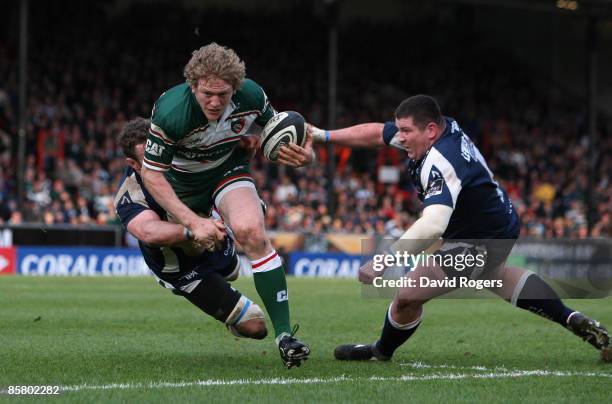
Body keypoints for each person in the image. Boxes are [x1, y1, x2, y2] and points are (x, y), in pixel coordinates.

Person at [303, 94, 610, 362]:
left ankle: (380, 352)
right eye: (400, 130)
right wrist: (323, 135)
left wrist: (384, 260)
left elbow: (433, 223)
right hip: (499, 220)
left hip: (477, 237)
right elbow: (375, 134)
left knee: (408, 295)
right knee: (496, 276)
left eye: (407, 131)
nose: (401, 138)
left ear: (431, 130)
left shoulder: (440, 160)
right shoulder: (436, 129)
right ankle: (571, 318)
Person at [140, 43, 311, 368]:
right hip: (182, 185)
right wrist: (192, 222)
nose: (216, 102)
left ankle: (285, 336)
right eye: (207, 94)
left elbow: (280, 134)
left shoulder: (252, 96)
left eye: (224, 94)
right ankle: (222, 253)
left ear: (236, 87)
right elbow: (151, 176)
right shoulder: (171, 112)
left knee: (252, 232)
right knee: (204, 258)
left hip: (226, 169)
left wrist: (305, 153)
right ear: (193, 86)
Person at [115, 117, 268, 340]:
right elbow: (149, 231)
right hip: (180, 267)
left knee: (233, 271)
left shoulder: (184, 155)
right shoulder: (130, 194)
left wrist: (245, 153)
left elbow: (224, 167)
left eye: (163, 152)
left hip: (211, 235)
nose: (161, 162)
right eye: (149, 159)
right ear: (134, 164)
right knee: (256, 327)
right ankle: (228, 312)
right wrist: (193, 231)